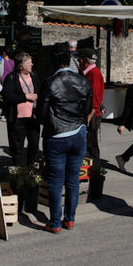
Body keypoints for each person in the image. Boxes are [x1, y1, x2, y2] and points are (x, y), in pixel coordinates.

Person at [38, 44, 93, 233]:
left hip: (57, 135)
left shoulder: (50, 82)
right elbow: (87, 108)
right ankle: (69, 220)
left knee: (55, 181)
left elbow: (41, 113)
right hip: (78, 133)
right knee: (72, 180)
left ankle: (54, 222)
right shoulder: (82, 80)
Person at [2, 53, 41, 167]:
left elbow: (40, 93)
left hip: (33, 118)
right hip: (17, 119)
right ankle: (19, 171)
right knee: (17, 146)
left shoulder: (34, 77)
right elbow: (7, 96)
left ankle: (31, 168)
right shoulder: (11, 78)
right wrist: (26, 97)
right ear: (20, 66)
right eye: (29, 62)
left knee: (34, 145)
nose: (32, 64)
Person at [78, 47, 104, 164]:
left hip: (92, 115)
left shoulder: (94, 74)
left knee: (91, 145)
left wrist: (88, 118)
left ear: (86, 60)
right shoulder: (89, 73)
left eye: (80, 59)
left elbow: (95, 99)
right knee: (87, 143)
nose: (79, 61)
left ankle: (94, 170)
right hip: (88, 113)